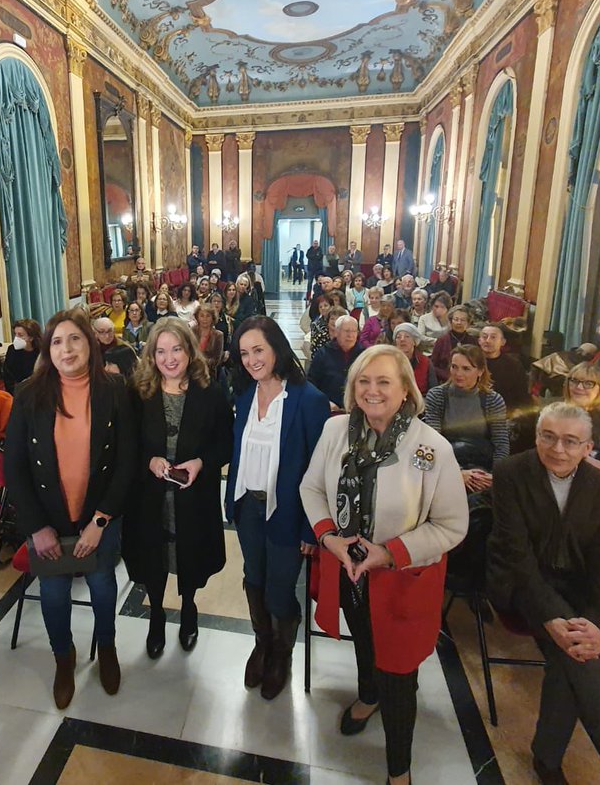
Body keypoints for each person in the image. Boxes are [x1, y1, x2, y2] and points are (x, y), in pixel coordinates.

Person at [301, 345, 468, 785]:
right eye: (363, 381)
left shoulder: (431, 448)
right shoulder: (336, 430)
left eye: (383, 382)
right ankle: (367, 694)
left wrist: (389, 551)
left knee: (399, 675)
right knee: (362, 641)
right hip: (351, 573)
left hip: (400, 581)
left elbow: (451, 526)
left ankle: (399, 770)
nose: (371, 391)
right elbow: (312, 488)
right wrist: (329, 539)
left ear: (406, 391)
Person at [488, 403, 600, 785]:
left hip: (576, 586)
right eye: (548, 436)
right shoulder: (511, 473)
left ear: (588, 447)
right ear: (537, 436)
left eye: (570, 441)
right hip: (520, 582)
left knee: (578, 651)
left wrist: (599, 626)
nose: (557, 449)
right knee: (582, 655)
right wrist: (550, 617)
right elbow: (517, 556)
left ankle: (547, 760)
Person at [4, 309, 134, 709]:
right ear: (48, 348)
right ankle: (64, 656)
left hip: (99, 514)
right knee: (55, 593)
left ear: (90, 343)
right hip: (48, 518)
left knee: (101, 586)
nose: (67, 349)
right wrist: (37, 527)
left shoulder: (114, 389)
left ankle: (107, 648)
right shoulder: (29, 394)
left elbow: (127, 460)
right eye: (57, 341)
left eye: (75, 339)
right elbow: (15, 467)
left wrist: (100, 521)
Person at [226, 317, 330, 699]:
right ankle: (262, 642)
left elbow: (319, 471)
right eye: (244, 353)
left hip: (287, 513)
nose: (252, 360)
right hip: (248, 506)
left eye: (259, 350)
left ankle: (281, 653)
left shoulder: (308, 399)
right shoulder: (243, 394)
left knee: (280, 588)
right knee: (253, 577)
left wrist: (311, 529)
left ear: (276, 349)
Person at [125, 319, 232, 658]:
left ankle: (188, 608)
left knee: (189, 556)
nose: (169, 359)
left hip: (193, 498)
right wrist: (149, 460)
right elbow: (126, 444)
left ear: (189, 350)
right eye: (161, 351)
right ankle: (156, 614)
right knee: (153, 557)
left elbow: (225, 444)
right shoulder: (139, 392)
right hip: (149, 496)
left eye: (176, 349)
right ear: (151, 355)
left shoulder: (210, 391)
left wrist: (201, 463)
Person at [422, 345, 509, 501]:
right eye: (454, 367)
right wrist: (457, 473)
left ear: (480, 371)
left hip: (482, 466)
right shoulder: (437, 396)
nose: (458, 374)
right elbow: (432, 442)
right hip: (446, 464)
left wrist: (494, 476)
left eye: (466, 369)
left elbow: (501, 443)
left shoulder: (492, 399)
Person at [478, 324, 534, 446]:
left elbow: (522, 394)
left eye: (493, 337)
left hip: (506, 413)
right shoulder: (472, 362)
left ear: (502, 342)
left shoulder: (513, 365)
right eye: (484, 336)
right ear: (479, 340)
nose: (488, 340)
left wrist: (517, 412)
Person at [563, 363, 600, 473]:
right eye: (574, 381)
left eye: (588, 383)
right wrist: (585, 459)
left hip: (592, 475)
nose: (579, 387)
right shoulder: (554, 413)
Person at [309, 314, 365, 410]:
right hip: (328, 407)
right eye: (347, 331)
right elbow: (311, 384)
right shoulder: (323, 353)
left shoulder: (364, 355)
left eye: (354, 331)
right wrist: (325, 402)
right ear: (337, 332)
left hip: (358, 409)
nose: (350, 335)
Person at [431, 305, 478, 382]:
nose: (459, 323)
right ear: (450, 321)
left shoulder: (473, 341)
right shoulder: (442, 340)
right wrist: (448, 376)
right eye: (456, 319)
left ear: (468, 323)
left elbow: (477, 364)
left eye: (463, 320)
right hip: (445, 381)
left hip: (468, 381)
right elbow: (433, 366)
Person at [391, 322, 434, 394]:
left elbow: (433, 390)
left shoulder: (425, 362)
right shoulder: (389, 362)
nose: (402, 339)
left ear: (415, 341)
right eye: (398, 337)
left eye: (407, 336)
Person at [2, 319, 41, 393]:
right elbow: (8, 377)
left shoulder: (42, 351)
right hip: (19, 391)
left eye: (20, 335)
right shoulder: (12, 350)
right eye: (15, 334)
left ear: (31, 338)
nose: (16, 338)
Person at [194, 304, 225, 379]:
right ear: (197, 317)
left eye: (208, 316)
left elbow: (217, 359)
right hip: (191, 371)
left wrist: (201, 362)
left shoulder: (218, 335)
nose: (205, 319)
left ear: (212, 318)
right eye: (202, 316)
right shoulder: (191, 331)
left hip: (209, 373)